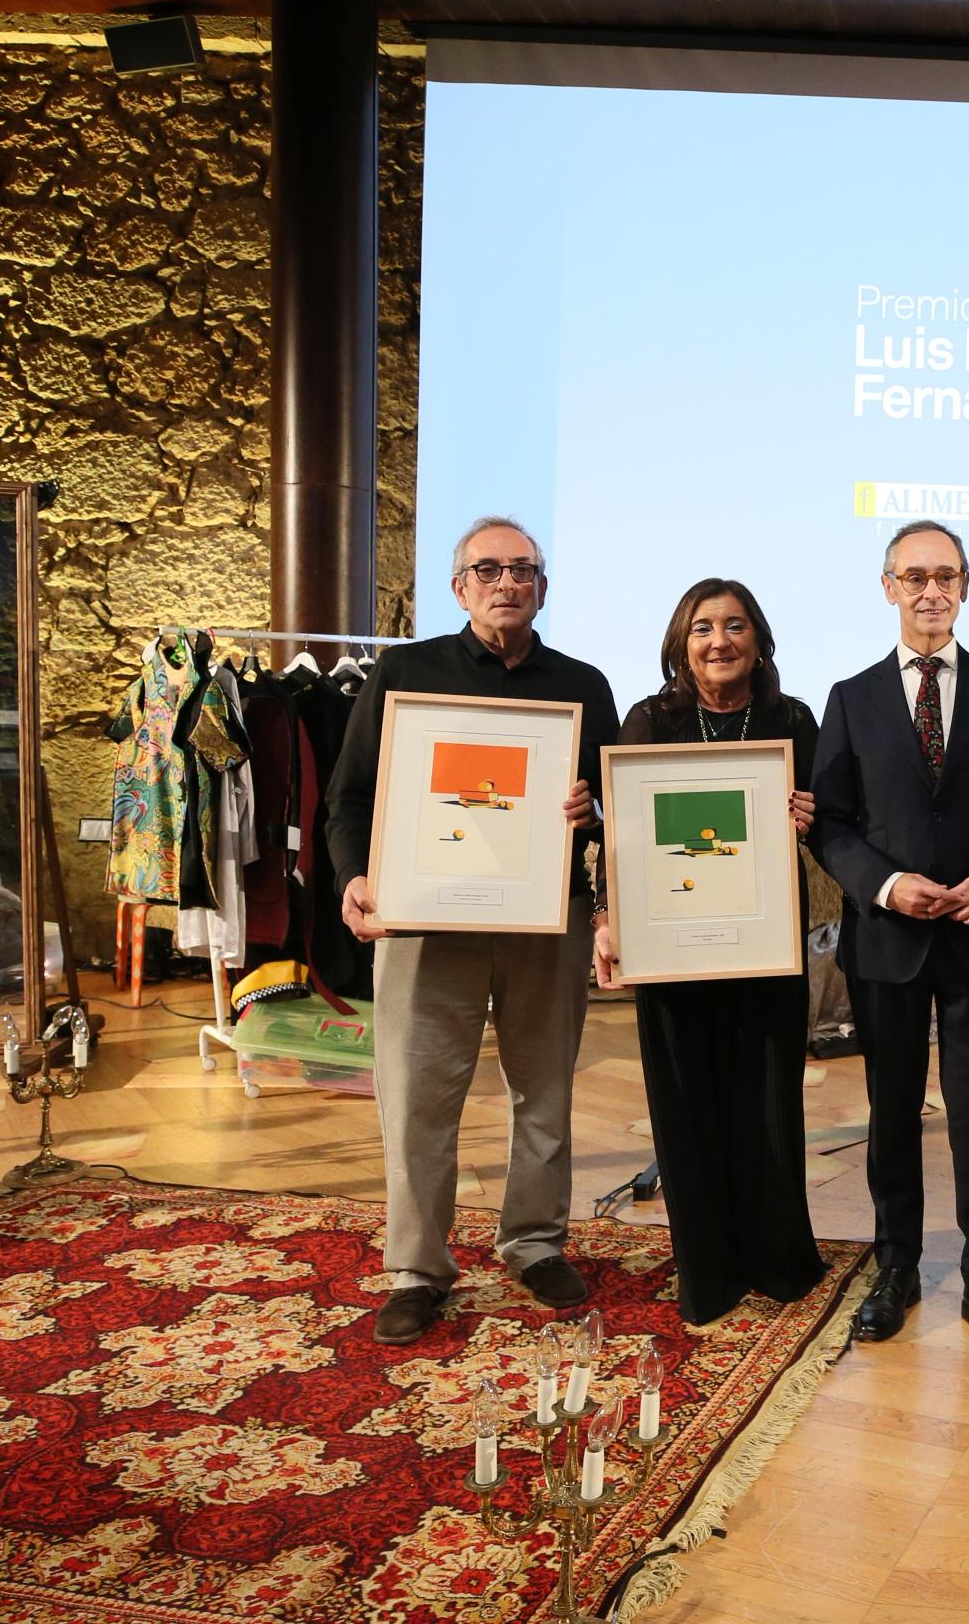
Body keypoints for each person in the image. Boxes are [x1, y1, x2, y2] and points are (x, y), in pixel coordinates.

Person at [332, 516, 617, 1346]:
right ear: (459, 587)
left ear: (543, 587)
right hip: (426, 922)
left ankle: (533, 1242)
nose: (507, 583)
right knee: (419, 1097)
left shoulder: (583, 684)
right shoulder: (405, 673)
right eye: (488, 569)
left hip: (544, 918)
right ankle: (418, 1267)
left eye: (523, 570)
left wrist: (589, 808)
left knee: (546, 1089)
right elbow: (350, 798)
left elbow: (612, 806)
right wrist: (355, 879)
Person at [810, 520, 969, 1361]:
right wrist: (883, 883)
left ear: (965, 587)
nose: (930, 590)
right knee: (891, 1115)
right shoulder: (849, 696)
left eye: (945, 575)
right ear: (888, 587)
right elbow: (832, 824)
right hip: (887, 939)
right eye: (914, 575)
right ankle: (897, 1267)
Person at [591, 579, 827, 1326]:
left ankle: (779, 1257)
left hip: (764, 941)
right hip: (673, 949)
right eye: (702, 628)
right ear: (680, 642)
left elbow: (829, 823)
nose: (718, 640)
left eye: (733, 625)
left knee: (766, 1100)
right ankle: (710, 1269)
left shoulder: (795, 719)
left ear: (758, 637)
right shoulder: (649, 720)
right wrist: (607, 919)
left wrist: (813, 812)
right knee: (687, 1105)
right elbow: (624, 840)